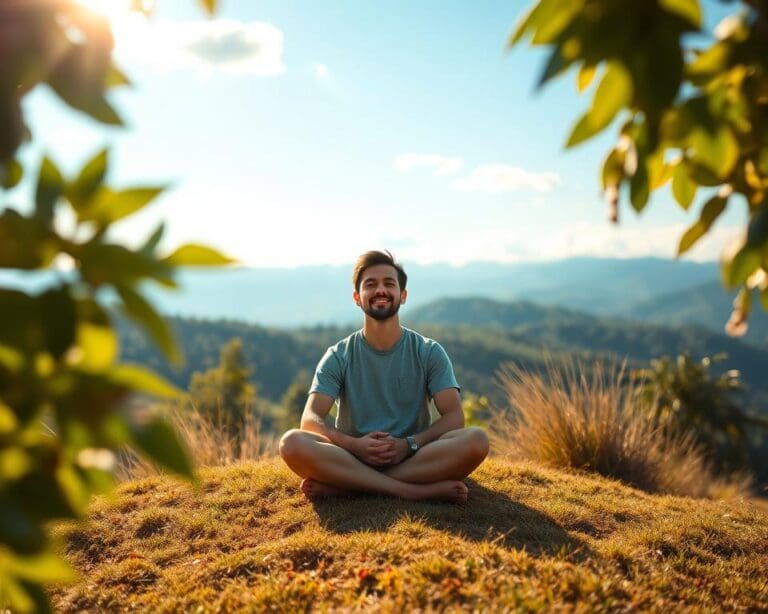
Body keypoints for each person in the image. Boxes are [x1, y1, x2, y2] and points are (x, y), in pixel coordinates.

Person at [279, 250, 489, 503]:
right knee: (291, 442)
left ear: (403, 295)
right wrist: (354, 446)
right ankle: (411, 491)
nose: (380, 290)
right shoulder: (338, 355)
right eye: (371, 284)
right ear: (357, 298)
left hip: (414, 457)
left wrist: (408, 444)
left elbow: (455, 416)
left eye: (389, 283)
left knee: (476, 440)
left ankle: (350, 488)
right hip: (350, 458)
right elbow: (311, 419)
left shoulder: (428, 351)